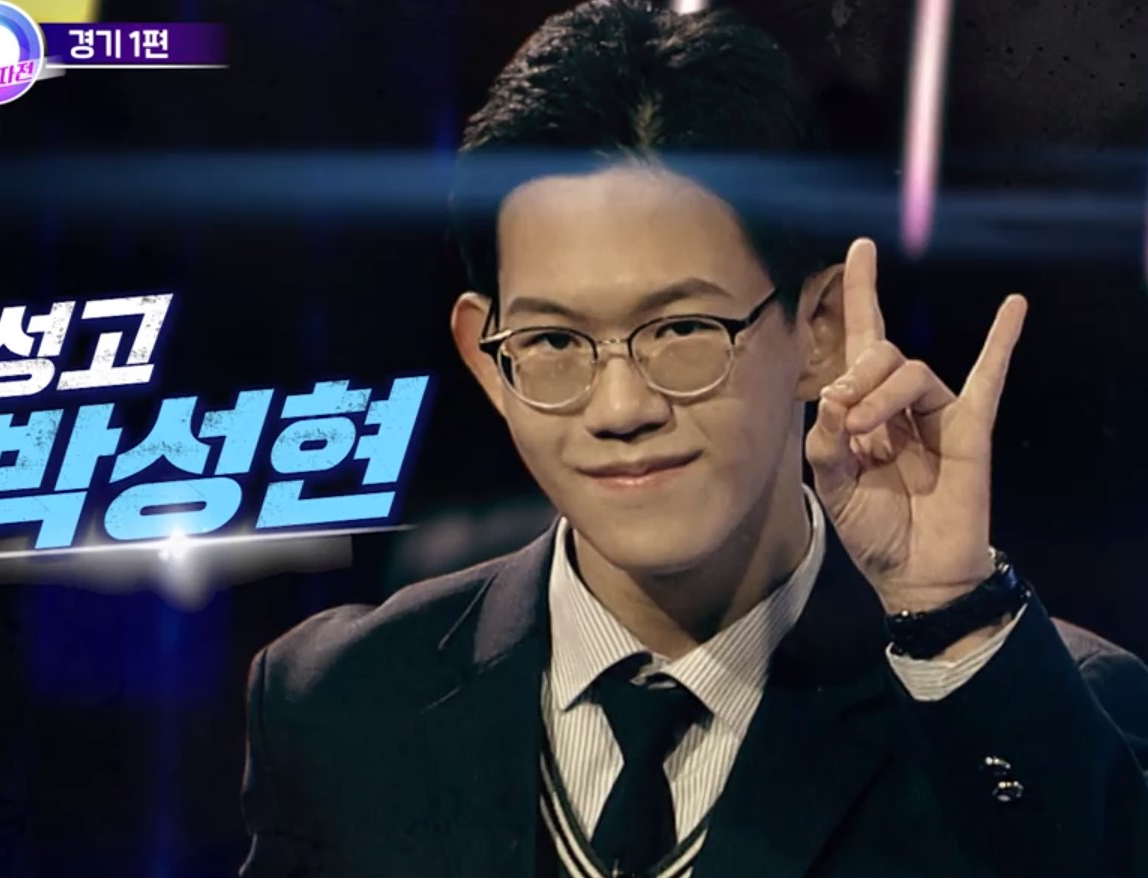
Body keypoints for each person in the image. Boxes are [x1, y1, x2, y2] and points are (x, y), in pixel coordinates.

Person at [239, 3, 1148, 876]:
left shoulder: (1032, 707)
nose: (620, 406)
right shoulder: (339, 705)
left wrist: (950, 619)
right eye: (554, 342)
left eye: (681, 330)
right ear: (487, 358)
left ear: (819, 330)